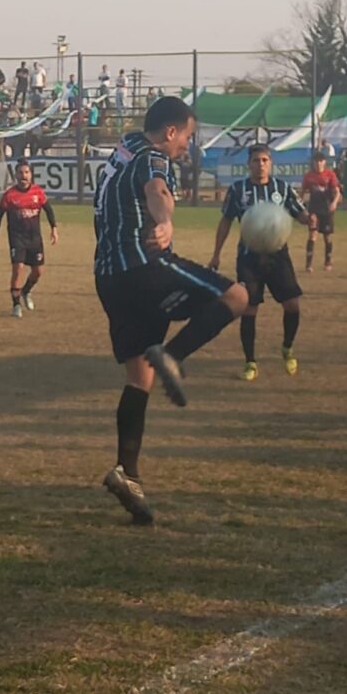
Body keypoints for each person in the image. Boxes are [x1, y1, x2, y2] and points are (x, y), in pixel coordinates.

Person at [94, 96, 247, 524]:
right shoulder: (155, 157)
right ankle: (173, 359)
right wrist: (166, 221)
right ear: (170, 132)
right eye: (187, 138)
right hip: (144, 266)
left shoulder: (124, 146)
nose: (186, 147)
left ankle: (128, 474)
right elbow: (157, 188)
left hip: (108, 278)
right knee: (237, 296)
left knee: (138, 378)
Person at [209, 144, 309, 382]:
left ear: (270, 163)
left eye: (265, 160)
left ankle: (287, 347)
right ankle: (250, 361)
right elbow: (226, 222)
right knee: (249, 307)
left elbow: (300, 214)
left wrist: (310, 219)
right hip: (249, 257)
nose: (260, 164)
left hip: (278, 255)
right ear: (249, 164)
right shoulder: (237, 190)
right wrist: (216, 254)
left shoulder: (282, 189)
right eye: (256, 160)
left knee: (292, 305)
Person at [0, 158, 58, 318]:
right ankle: (16, 306)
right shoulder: (9, 195)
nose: (24, 176)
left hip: (35, 238)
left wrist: (54, 228)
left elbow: (49, 210)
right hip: (17, 238)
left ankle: (26, 291)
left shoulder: (38, 192)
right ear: (15, 175)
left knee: (38, 271)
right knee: (18, 268)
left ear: (31, 174)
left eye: (27, 172)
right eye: (20, 172)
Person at [301, 151, 341, 272]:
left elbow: (337, 192)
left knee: (327, 237)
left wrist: (334, 203)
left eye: (320, 161)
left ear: (324, 162)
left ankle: (328, 262)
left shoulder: (330, 175)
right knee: (312, 235)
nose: (318, 163)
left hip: (326, 209)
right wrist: (302, 207)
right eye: (316, 161)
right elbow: (302, 192)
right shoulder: (308, 176)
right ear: (313, 163)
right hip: (314, 209)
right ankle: (308, 265)